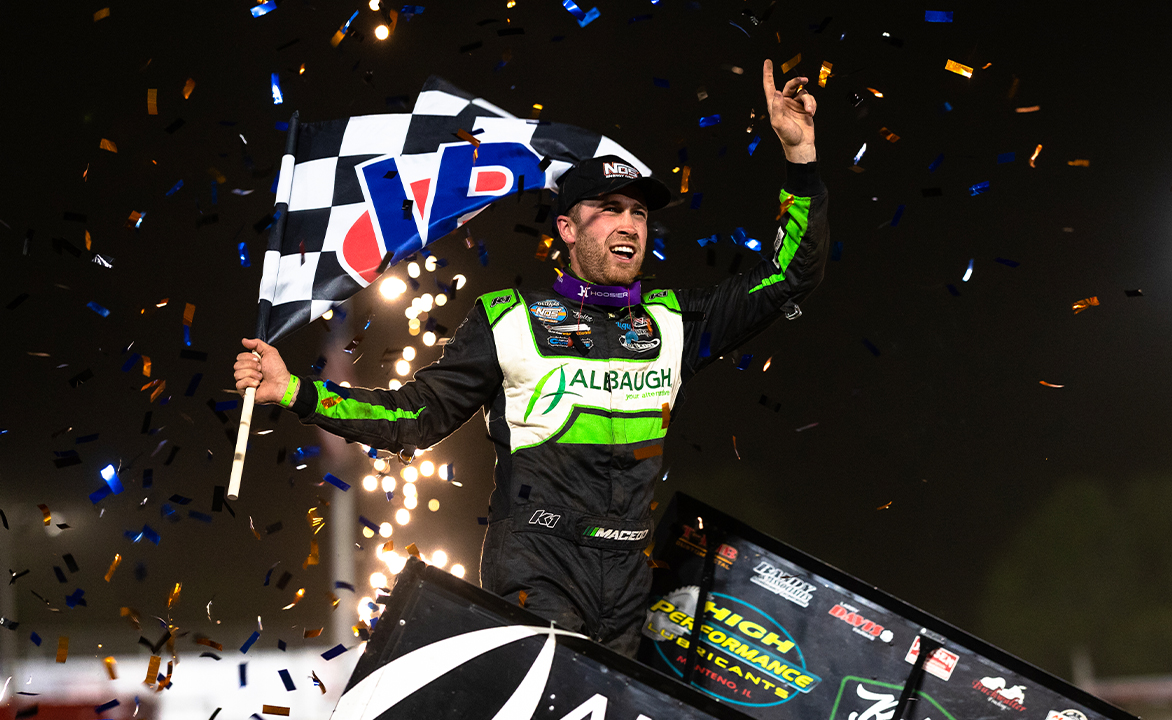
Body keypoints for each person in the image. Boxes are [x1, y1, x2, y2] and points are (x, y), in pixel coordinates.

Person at [233, 60, 828, 658]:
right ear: (568, 229)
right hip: (537, 567)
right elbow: (414, 419)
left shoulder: (676, 317)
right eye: (611, 209)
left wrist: (799, 158)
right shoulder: (507, 315)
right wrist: (294, 392)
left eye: (639, 212)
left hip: (628, 579)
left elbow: (788, 276)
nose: (630, 224)